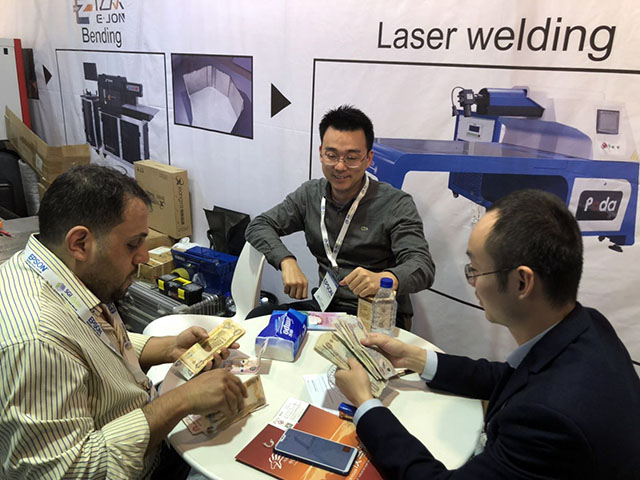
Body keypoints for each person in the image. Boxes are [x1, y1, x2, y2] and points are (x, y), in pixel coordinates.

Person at [335, 189, 640, 479]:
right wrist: (414, 358)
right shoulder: (587, 326)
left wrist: (366, 404)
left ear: (522, 283)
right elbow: (510, 377)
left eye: (475, 270)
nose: (472, 283)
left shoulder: (547, 421)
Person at [0, 165, 247, 479]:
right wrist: (179, 402)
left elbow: (90, 340)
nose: (144, 256)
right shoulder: (37, 342)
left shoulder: (44, 267)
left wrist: (169, 347)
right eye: (133, 244)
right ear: (80, 243)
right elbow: (67, 472)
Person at [245, 105, 435, 329]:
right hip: (325, 307)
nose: (340, 166)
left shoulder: (395, 204)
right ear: (321, 153)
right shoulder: (310, 195)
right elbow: (259, 225)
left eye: (352, 157)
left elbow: (422, 265)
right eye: (332, 155)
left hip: (377, 314)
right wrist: (286, 260)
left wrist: (386, 279)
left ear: (368, 159)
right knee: (259, 318)